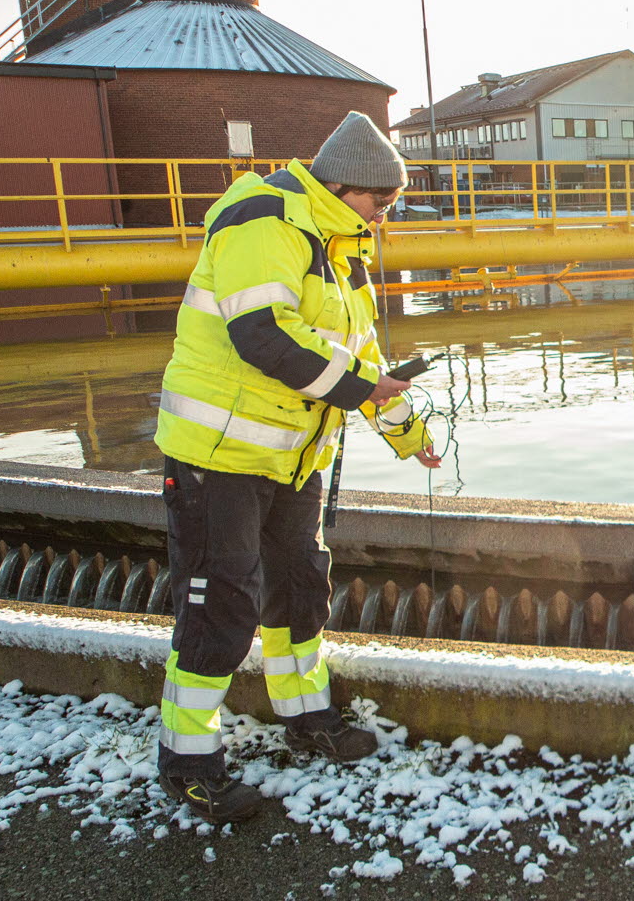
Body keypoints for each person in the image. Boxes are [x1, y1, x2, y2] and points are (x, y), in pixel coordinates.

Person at [152, 111, 442, 823]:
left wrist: (410, 436)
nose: (385, 216)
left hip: (292, 459)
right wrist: (362, 388)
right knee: (223, 606)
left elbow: (364, 365)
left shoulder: (340, 249)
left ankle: (308, 719)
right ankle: (188, 764)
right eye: (381, 201)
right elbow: (263, 336)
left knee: (299, 589)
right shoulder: (264, 220)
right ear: (343, 184)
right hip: (218, 458)